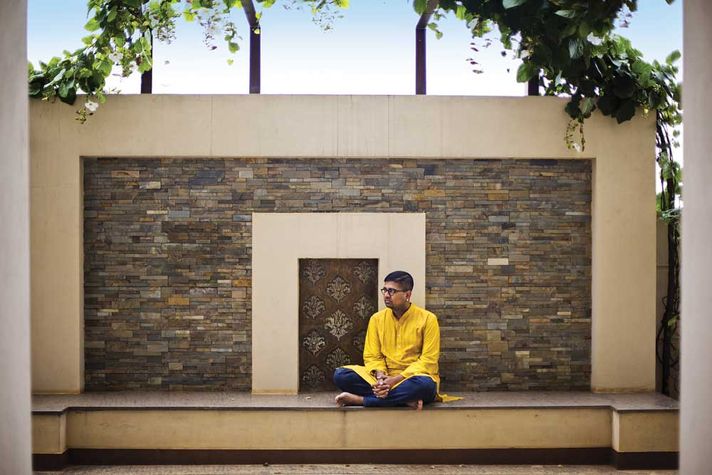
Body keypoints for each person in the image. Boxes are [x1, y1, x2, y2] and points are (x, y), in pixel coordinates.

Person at [333, 270, 458, 409]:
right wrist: (381, 378)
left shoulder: (428, 319)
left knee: (426, 386)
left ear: (407, 294)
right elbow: (372, 356)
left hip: (412, 378)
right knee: (341, 375)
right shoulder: (377, 319)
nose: (386, 295)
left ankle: (361, 400)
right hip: (384, 378)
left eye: (391, 291)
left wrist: (396, 379)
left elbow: (428, 360)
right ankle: (404, 400)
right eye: (385, 290)